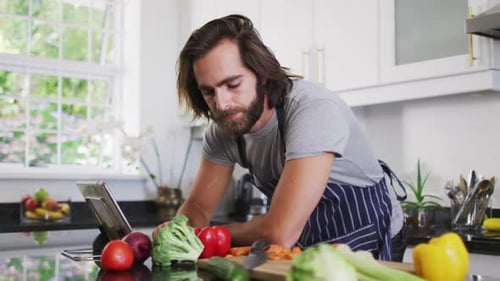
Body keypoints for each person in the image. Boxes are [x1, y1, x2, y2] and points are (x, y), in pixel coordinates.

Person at [153, 14, 406, 261]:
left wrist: (208, 235)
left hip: (369, 240)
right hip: (305, 246)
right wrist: (177, 234)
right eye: (209, 92)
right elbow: (197, 208)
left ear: (262, 74)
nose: (222, 104)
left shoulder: (312, 109)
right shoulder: (224, 131)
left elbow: (279, 232)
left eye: (232, 84)